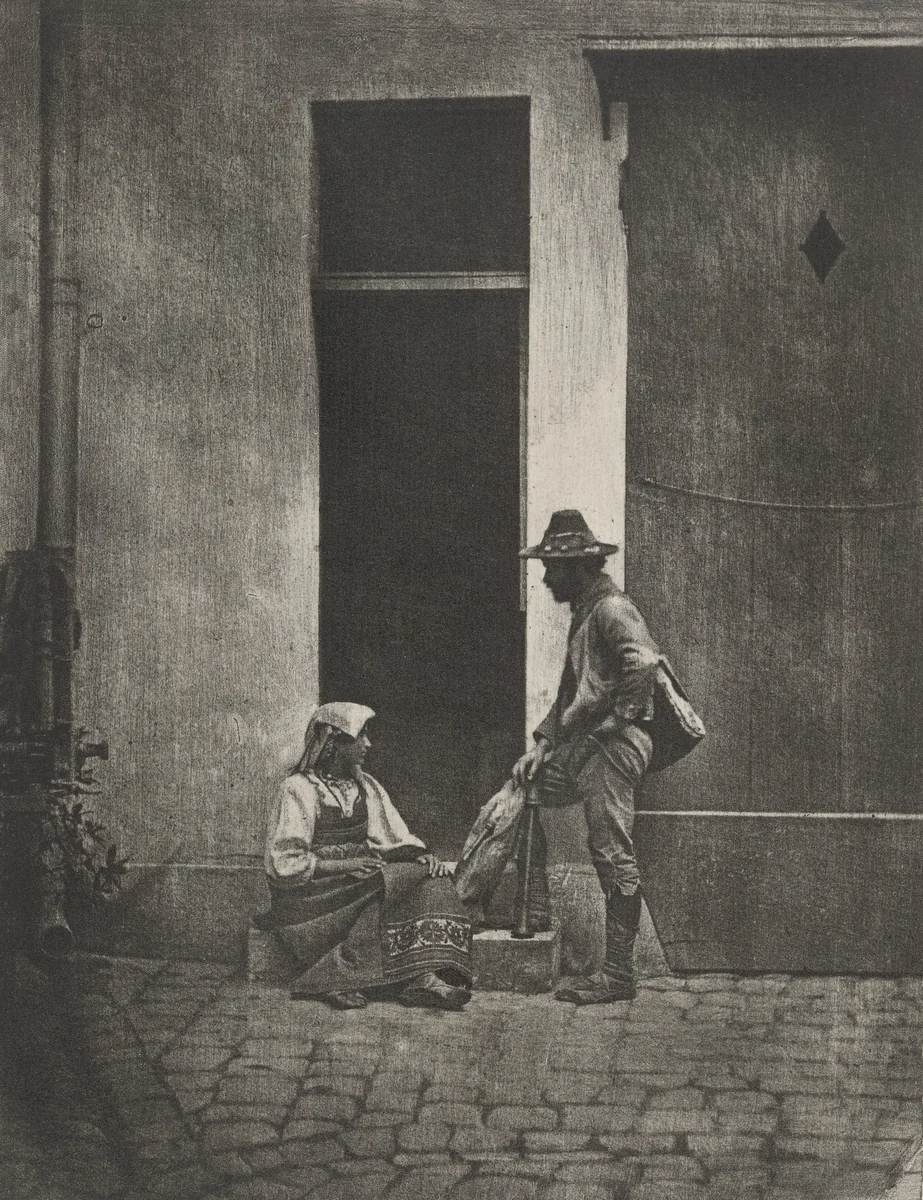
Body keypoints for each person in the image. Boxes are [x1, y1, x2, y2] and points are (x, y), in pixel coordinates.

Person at [512, 509, 704, 1005]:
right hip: (588, 746)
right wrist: (542, 744)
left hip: (612, 750)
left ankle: (618, 975)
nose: (547, 578)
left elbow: (641, 662)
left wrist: (619, 720)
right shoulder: (586, 611)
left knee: (612, 852)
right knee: (529, 789)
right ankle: (528, 912)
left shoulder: (612, 608)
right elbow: (569, 696)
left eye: (553, 569)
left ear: (578, 566)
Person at [260, 702, 472, 1011]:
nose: (368, 745)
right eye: (361, 736)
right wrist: (345, 864)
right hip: (311, 898)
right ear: (333, 743)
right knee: (388, 888)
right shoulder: (298, 789)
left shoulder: (366, 786)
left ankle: (423, 976)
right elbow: (284, 863)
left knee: (431, 879)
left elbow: (392, 836)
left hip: (356, 885)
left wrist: (420, 855)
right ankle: (339, 977)